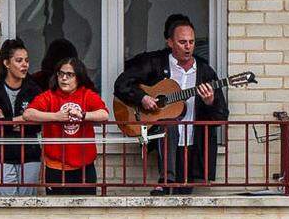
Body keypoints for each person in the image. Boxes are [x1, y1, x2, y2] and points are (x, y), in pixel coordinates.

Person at [113, 14, 229, 192]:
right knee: (170, 125)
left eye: (191, 42)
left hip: (192, 143)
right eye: (182, 42)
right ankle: (165, 181)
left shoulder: (205, 72)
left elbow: (221, 116)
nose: (188, 46)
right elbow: (121, 84)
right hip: (164, 139)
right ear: (170, 42)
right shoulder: (155, 64)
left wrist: (210, 101)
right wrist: (142, 98)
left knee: (184, 198)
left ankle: (165, 184)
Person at [23, 57, 109, 194]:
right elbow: (28, 114)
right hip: (56, 167)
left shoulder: (86, 95)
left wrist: (83, 115)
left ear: (78, 77)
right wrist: (55, 117)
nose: (63, 78)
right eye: (60, 74)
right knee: (58, 212)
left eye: (69, 75)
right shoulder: (49, 96)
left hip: (84, 166)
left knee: (87, 211)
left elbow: (104, 114)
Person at [0, 38, 42, 196]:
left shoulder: (34, 90)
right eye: (19, 60)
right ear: (7, 63)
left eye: (27, 60)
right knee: (6, 203)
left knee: (27, 203)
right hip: (3, 153)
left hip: (29, 152)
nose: (25, 65)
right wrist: (23, 119)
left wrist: (7, 120)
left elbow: (38, 124)